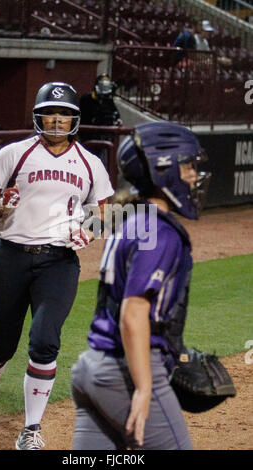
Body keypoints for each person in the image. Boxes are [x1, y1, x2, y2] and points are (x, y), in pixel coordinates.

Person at [0, 81, 114, 450]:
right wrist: (1, 205)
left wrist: (90, 231)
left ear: (75, 119)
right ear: (38, 117)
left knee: (44, 341)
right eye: (50, 114)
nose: (57, 120)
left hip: (59, 262)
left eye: (65, 114)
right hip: (10, 256)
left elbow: (101, 215)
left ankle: (31, 428)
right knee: (0, 344)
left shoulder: (90, 163)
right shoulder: (14, 154)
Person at [70, 120, 211, 450]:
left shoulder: (128, 219)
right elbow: (133, 314)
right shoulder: (160, 231)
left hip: (91, 369)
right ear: (165, 171)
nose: (194, 175)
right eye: (188, 166)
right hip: (127, 373)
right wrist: (145, 388)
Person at [79, 73, 122, 168]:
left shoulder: (108, 99)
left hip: (105, 136)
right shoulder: (88, 98)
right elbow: (84, 116)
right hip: (89, 135)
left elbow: (114, 113)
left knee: (105, 161)